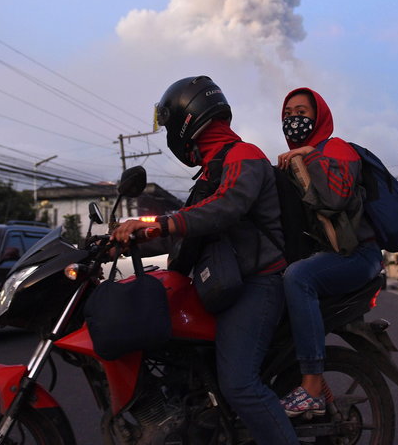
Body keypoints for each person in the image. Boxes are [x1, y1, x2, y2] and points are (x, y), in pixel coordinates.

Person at [112, 76, 299, 445]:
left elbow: (225, 209)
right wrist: (126, 241)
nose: (170, 137)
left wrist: (156, 227)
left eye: (170, 126)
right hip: (227, 282)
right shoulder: (211, 171)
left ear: (188, 120)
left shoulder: (244, 156)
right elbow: (193, 229)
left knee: (240, 384)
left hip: (259, 282)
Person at [276, 87, 384, 417]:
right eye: (288, 115)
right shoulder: (294, 162)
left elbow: (336, 199)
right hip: (332, 255)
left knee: (299, 278)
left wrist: (308, 156)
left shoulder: (336, 149)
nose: (294, 120)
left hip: (358, 256)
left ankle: (311, 384)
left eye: (302, 113)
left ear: (319, 116)